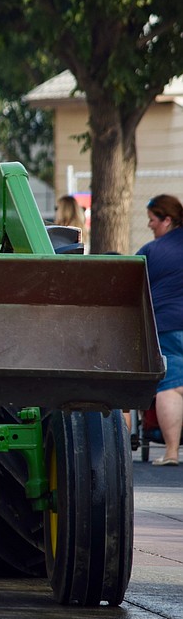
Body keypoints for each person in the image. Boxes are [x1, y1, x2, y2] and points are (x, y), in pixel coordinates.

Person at [138, 194, 183, 466]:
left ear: (167, 220)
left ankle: (171, 452)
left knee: (170, 387)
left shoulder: (152, 251)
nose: (150, 226)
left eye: (153, 220)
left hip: (167, 325)